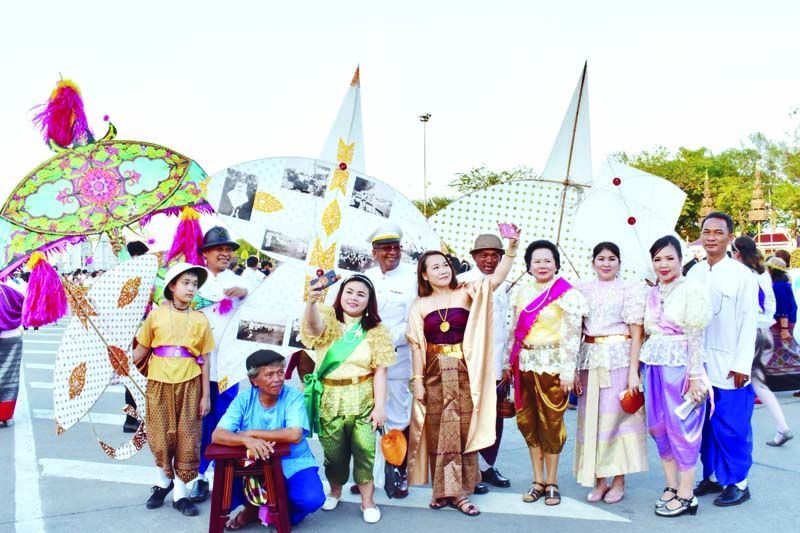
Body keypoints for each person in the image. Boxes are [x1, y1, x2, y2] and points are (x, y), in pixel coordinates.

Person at [407, 230, 518, 517]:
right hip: (433, 373)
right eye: (435, 267)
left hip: (464, 371)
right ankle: (443, 491)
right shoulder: (420, 305)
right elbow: (418, 348)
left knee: (461, 431)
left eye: (445, 265)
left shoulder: (467, 290)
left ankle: (460, 493)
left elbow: (497, 279)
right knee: (438, 432)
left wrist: (512, 246)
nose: (442, 270)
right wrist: (417, 382)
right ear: (424, 275)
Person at [301, 274, 395, 524]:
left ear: (369, 301)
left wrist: (380, 407)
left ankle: (368, 501)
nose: (353, 298)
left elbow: (381, 372)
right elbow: (313, 328)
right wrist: (311, 301)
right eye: (349, 292)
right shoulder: (328, 320)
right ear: (340, 294)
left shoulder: (376, 331)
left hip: (363, 397)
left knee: (365, 451)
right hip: (329, 397)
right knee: (334, 452)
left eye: (361, 294)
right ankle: (335, 490)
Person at [505, 239, 587, 507]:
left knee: (551, 424)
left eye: (547, 260)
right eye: (536, 260)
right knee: (528, 423)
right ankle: (537, 480)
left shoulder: (567, 294)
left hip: (553, 366)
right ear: (528, 266)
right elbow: (512, 331)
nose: (542, 265)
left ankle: (552, 481)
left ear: (556, 264)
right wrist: (508, 362)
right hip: (525, 365)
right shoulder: (520, 292)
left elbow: (573, 336)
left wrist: (568, 370)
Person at [687, 212, 758, 507]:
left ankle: (739, 483)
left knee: (732, 426)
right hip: (698, 364)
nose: (711, 237)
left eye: (718, 232)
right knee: (705, 427)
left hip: (730, 364)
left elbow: (748, 321)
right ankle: (714, 476)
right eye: (707, 231)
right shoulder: (694, 273)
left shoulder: (742, 275)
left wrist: (742, 364)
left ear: (730, 237)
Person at [131, 262, 213, 517]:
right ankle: (163, 483)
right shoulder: (155, 315)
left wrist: (206, 396)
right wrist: (118, 361)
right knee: (160, 436)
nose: (191, 288)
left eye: (195, 284)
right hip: (158, 383)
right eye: (186, 283)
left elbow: (206, 358)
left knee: (187, 438)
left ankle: (180, 495)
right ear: (172, 286)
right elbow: (141, 351)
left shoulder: (200, 319)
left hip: (190, 384)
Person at [212, 349, 325, 529]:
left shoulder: (293, 396)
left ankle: (274, 514)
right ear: (253, 380)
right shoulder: (243, 400)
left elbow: (294, 435)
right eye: (270, 374)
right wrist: (246, 442)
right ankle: (252, 508)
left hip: (293, 460)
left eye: (280, 372)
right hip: (255, 462)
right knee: (226, 472)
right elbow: (218, 434)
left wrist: (250, 434)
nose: (278, 379)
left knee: (312, 499)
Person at [640, 236, 711, 517]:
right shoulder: (653, 292)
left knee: (683, 428)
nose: (663, 264)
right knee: (658, 426)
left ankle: (686, 493)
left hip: (681, 368)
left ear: (681, 260)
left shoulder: (692, 289)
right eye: (657, 259)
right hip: (654, 366)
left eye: (669, 258)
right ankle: (671, 486)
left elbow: (695, 336)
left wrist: (695, 377)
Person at [573, 242, 648, 504]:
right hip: (590, 360)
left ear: (619, 262)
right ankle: (599, 480)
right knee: (592, 420)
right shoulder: (580, 288)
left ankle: (618, 481)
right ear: (593, 261)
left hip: (620, 358)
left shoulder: (630, 289)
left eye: (612, 258)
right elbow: (574, 330)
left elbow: (637, 332)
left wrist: (634, 372)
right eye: (601, 258)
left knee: (617, 420)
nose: (606, 263)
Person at [190, 226, 259, 503]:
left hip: (228, 369)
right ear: (205, 253)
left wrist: (244, 291)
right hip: (196, 367)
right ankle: (198, 476)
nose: (225, 253)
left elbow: (256, 305)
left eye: (229, 249)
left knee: (225, 421)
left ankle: (223, 475)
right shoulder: (194, 280)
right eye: (219, 249)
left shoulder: (241, 281)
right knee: (197, 422)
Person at [362, 223, 417, 497]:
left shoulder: (412, 279)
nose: (392, 252)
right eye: (386, 248)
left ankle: (397, 471)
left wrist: (382, 341)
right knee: (367, 418)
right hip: (365, 361)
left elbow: (412, 322)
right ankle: (368, 476)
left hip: (396, 358)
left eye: (396, 247)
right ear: (374, 252)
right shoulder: (365, 278)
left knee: (396, 418)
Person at [457, 234, 513, 492]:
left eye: (495, 255)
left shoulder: (509, 285)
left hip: (498, 365)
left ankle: (488, 466)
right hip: (472, 365)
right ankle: (471, 470)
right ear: (474, 257)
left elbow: (508, 327)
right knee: (471, 419)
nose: (489, 260)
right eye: (484, 255)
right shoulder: (461, 283)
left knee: (495, 419)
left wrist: (508, 363)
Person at [761, 256, 795, 445]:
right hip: (785, 324)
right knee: (784, 355)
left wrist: (783, 329)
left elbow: (781, 309)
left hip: (780, 326)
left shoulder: (779, 286)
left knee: (781, 356)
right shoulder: (784, 284)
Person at [123, 240, 150, 434]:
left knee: (131, 377)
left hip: (128, 332)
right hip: (144, 333)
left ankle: (131, 419)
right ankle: (139, 418)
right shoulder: (147, 276)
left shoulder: (121, 274)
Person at [0, 277, 25, 428]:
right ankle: (5, 415)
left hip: (4, 336)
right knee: (10, 377)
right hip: (14, 336)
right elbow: (24, 303)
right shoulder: (10, 288)